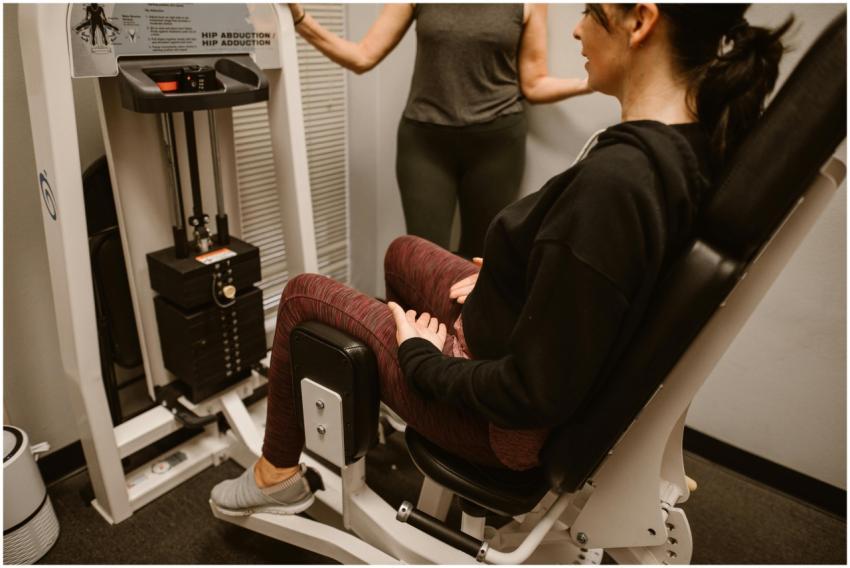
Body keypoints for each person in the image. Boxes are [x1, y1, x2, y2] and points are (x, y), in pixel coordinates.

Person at [211, 4, 791, 515]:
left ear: (640, 21)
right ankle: (408, 404)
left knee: (303, 296)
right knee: (404, 252)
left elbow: (532, 393)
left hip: (501, 426)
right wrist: (520, 280)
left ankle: (277, 476)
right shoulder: (684, 145)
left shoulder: (619, 183)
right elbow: (594, 293)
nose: (577, 29)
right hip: (505, 344)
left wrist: (422, 359)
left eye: (591, 10)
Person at [287, 3, 590, 258]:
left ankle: (463, 330)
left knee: (480, 258)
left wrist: (588, 84)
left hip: (496, 145)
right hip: (425, 144)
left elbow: (534, 83)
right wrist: (301, 19)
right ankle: (423, 330)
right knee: (424, 258)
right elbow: (363, 56)